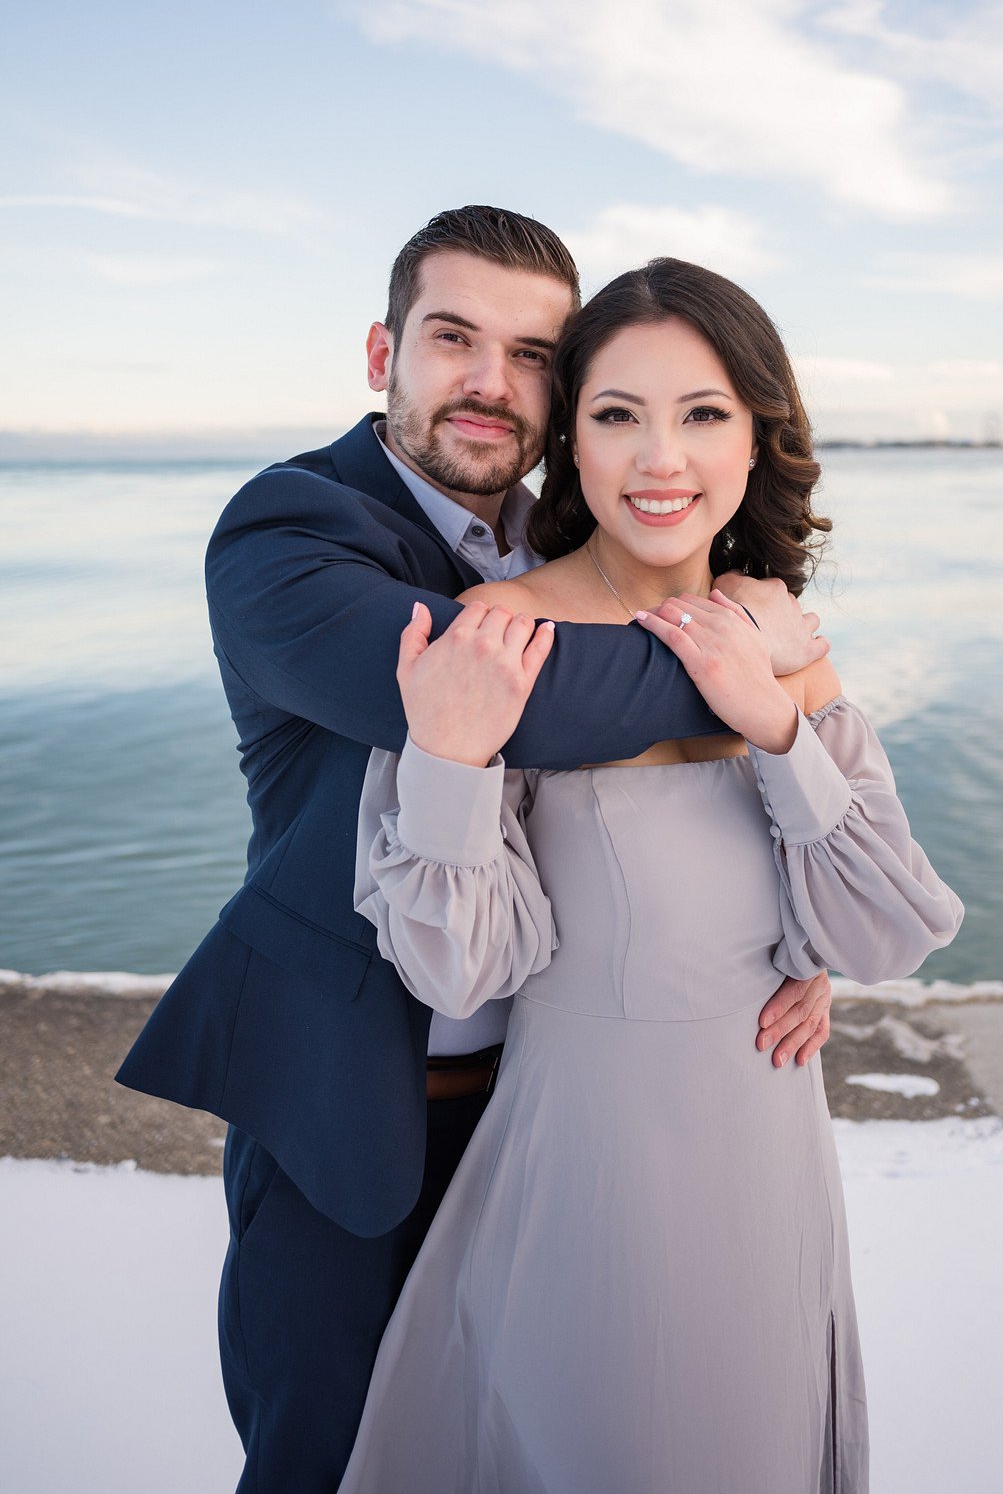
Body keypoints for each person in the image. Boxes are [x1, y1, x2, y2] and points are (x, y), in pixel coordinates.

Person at [116, 210, 833, 1493]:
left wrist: (770, 925)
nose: (491, 382)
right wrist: (764, 655)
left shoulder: (566, 543)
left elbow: (634, 811)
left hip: (556, 1114)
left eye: (532, 352)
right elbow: (534, 703)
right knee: (326, 1461)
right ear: (386, 349)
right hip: (350, 1106)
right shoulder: (287, 530)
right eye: (454, 339)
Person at [339, 258, 964, 1493]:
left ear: (756, 435)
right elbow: (459, 960)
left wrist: (777, 728)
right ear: (569, 438)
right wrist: (453, 759)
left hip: (769, 1154)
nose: (659, 458)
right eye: (618, 414)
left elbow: (886, 926)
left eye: (703, 414)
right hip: (589, 1172)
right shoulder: (501, 633)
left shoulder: (778, 633)